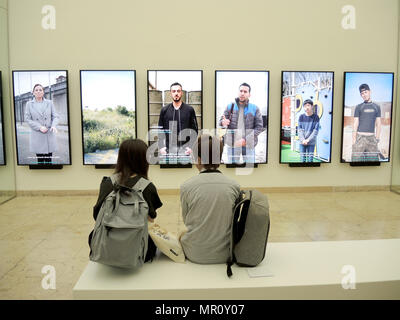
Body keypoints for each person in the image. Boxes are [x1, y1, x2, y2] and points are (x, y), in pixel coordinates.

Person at [88, 139, 163, 262]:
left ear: (120, 158)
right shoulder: (147, 186)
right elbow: (150, 220)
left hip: (106, 248)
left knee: (92, 235)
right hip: (137, 251)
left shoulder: (108, 182)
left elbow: (97, 216)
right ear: (144, 160)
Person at [180, 134, 241, 264]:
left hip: (194, 254)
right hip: (226, 254)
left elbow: (187, 220)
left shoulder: (186, 187)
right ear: (219, 159)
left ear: (200, 160)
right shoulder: (234, 186)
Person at [219, 83, 264, 164]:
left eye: (245, 91)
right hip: (233, 145)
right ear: (238, 92)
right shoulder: (230, 106)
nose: (242, 93)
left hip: (249, 145)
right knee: (231, 170)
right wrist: (223, 122)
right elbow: (220, 122)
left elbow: (259, 127)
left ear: (249, 94)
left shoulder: (255, 108)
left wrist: (245, 140)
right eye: (241, 91)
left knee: (250, 171)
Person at [157, 82, 198, 162]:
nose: (176, 93)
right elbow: (160, 130)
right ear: (170, 93)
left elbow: (195, 130)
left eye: (178, 91)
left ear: (181, 93)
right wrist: (161, 147)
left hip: (185, 151)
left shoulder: (189, 110)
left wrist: (191, 147)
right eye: (174, 91)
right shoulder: (164, 110)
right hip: (168, 151)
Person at [24, 84, 59, 164]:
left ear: (43, 92)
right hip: (37, 134)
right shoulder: (29, 104)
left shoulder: (50, 103)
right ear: (33, 92)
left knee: (49, 161)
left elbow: (56, 116)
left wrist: (54, 125)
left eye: (40, 90)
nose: (38, 91)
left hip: (49, 134)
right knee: (40, 161)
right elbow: (27, 119)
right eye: (36, 90)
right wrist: (39, 127)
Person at [351, 84, 381, 162]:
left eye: (365, 92)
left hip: (371, 139)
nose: (364, 95)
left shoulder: (376, 107)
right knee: (356, 162)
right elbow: (355, 123)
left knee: (373, 163)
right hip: (360, 138)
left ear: (370, 91)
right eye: (362, 93)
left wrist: (377, 138)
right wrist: (354, 140)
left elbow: (378, 124)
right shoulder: (358, 107)